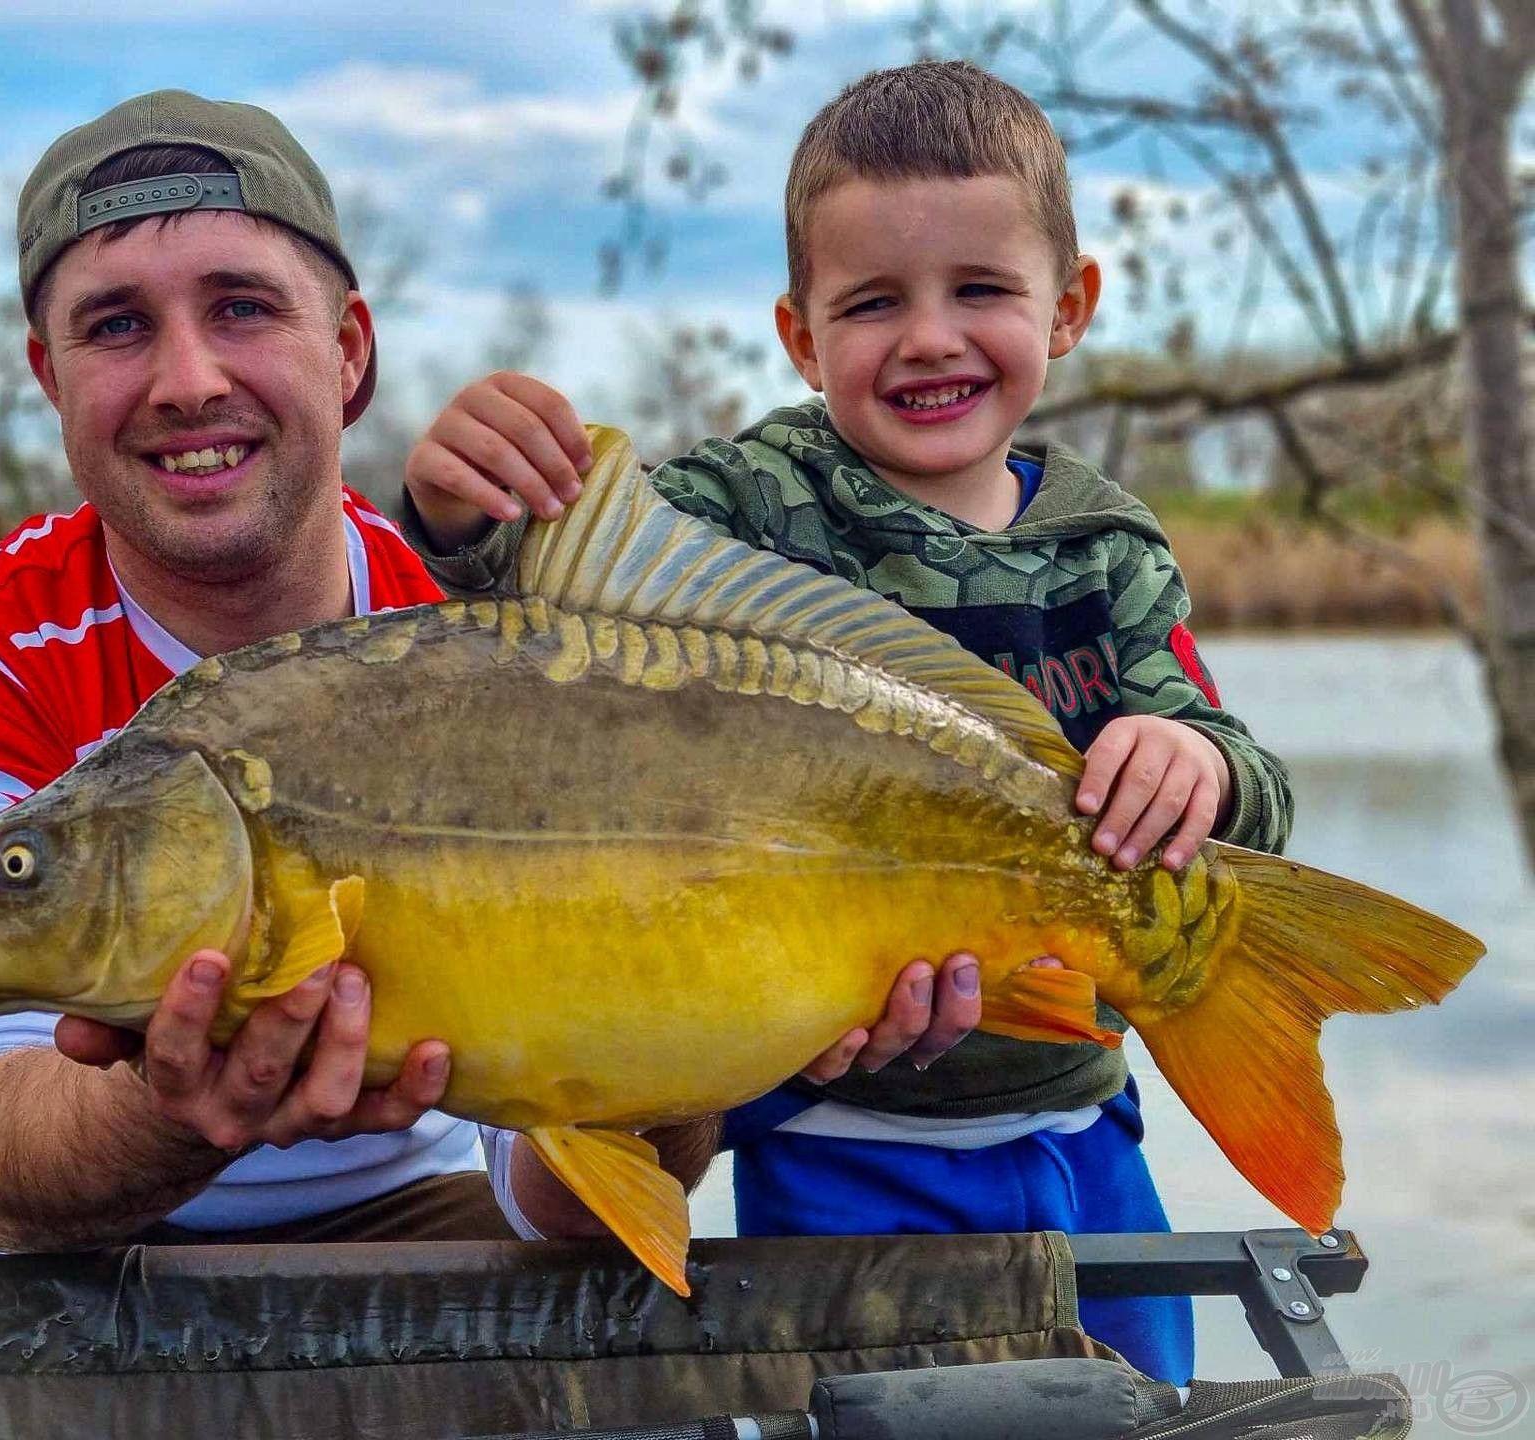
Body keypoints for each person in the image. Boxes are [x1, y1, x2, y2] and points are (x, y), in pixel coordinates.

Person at [398, 62, 1293, 1381]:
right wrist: (468, 512)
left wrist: (1201, 764)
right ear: (801, 335)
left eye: (980, 290)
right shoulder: (751, 504)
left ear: (1073, 306)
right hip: (829, 1135)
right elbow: (562, 601)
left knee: (1141, 1410)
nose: (929, 338)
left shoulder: (1107, 546)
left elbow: (1254, 799)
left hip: (1081, 1125)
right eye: (873, 303)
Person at [0, 90, 720, 1257]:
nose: (188, 380)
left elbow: (562, 1196)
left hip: (412, 1199)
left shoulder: (483, 633)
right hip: (23, 1242)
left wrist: (694, 1046)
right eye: (116, 327)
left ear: (346, 350)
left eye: (241, 308)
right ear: (50, 380)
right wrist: (179, 1106)